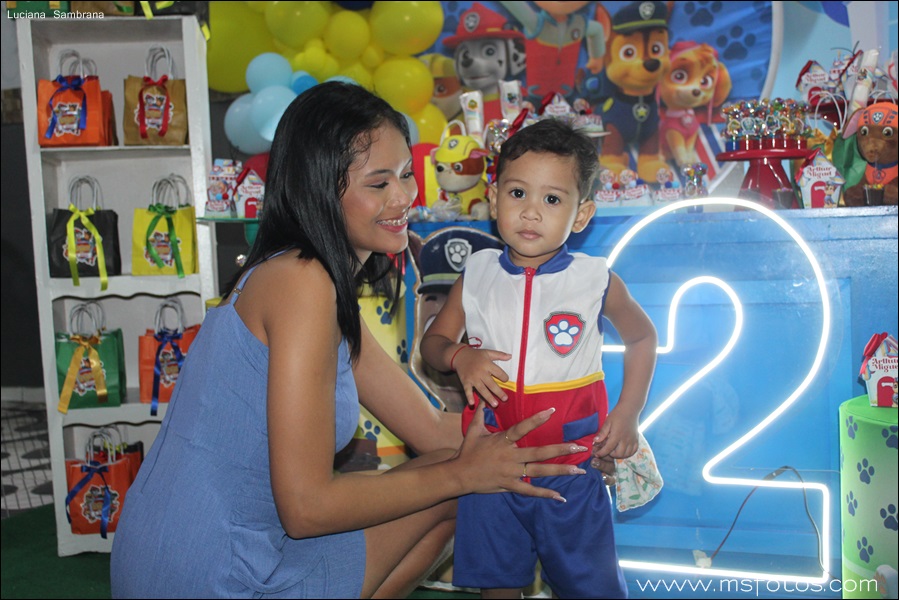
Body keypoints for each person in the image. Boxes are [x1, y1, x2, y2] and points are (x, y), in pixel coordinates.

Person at [109, 82, 610, 599]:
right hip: (210, 573)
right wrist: (466, 475)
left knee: (458, 474)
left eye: (406, 174)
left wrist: (570, 450)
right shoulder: (302, 283)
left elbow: (432, 430)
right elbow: (306, 509)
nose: (404, 197)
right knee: (459, 486)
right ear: (321, 189)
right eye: (379, 183)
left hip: (191, 555)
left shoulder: (309, 278)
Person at [420, 118, 658, 599]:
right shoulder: (477, 274)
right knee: (496, 584)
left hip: (571, 467)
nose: (531, 212)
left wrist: (629, 412)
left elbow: (642, 338)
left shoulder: (596, 280)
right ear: (494, 200)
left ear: (581, 214)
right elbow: (433, 344)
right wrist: (460, 356)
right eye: (517, 193)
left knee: (590, 586)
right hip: (489, 466)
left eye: (552, 199)